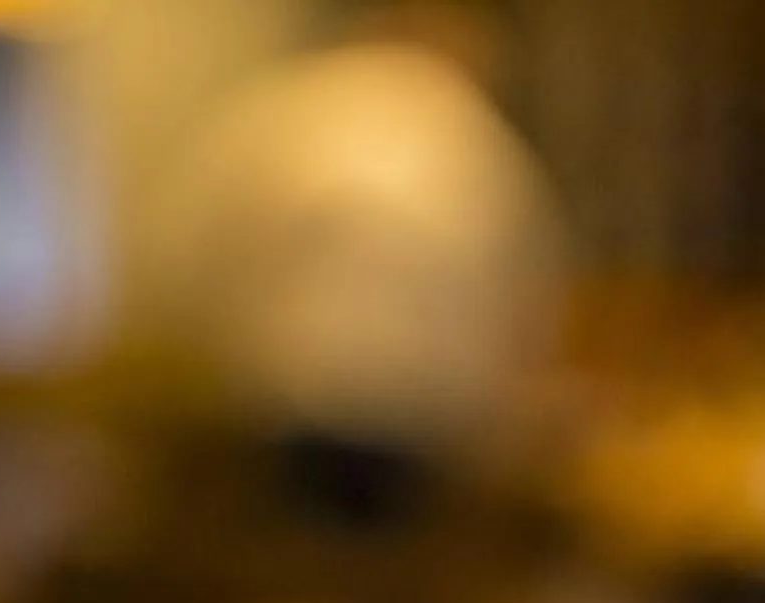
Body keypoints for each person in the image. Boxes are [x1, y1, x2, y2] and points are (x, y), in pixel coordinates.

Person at [164, 3, 566, 531]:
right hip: (412, 432)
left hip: (263, 414)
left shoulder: (281, 109)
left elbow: (186, 244)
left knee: (276, 572)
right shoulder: (471, 138)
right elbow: (521, 302)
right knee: (378, 579)